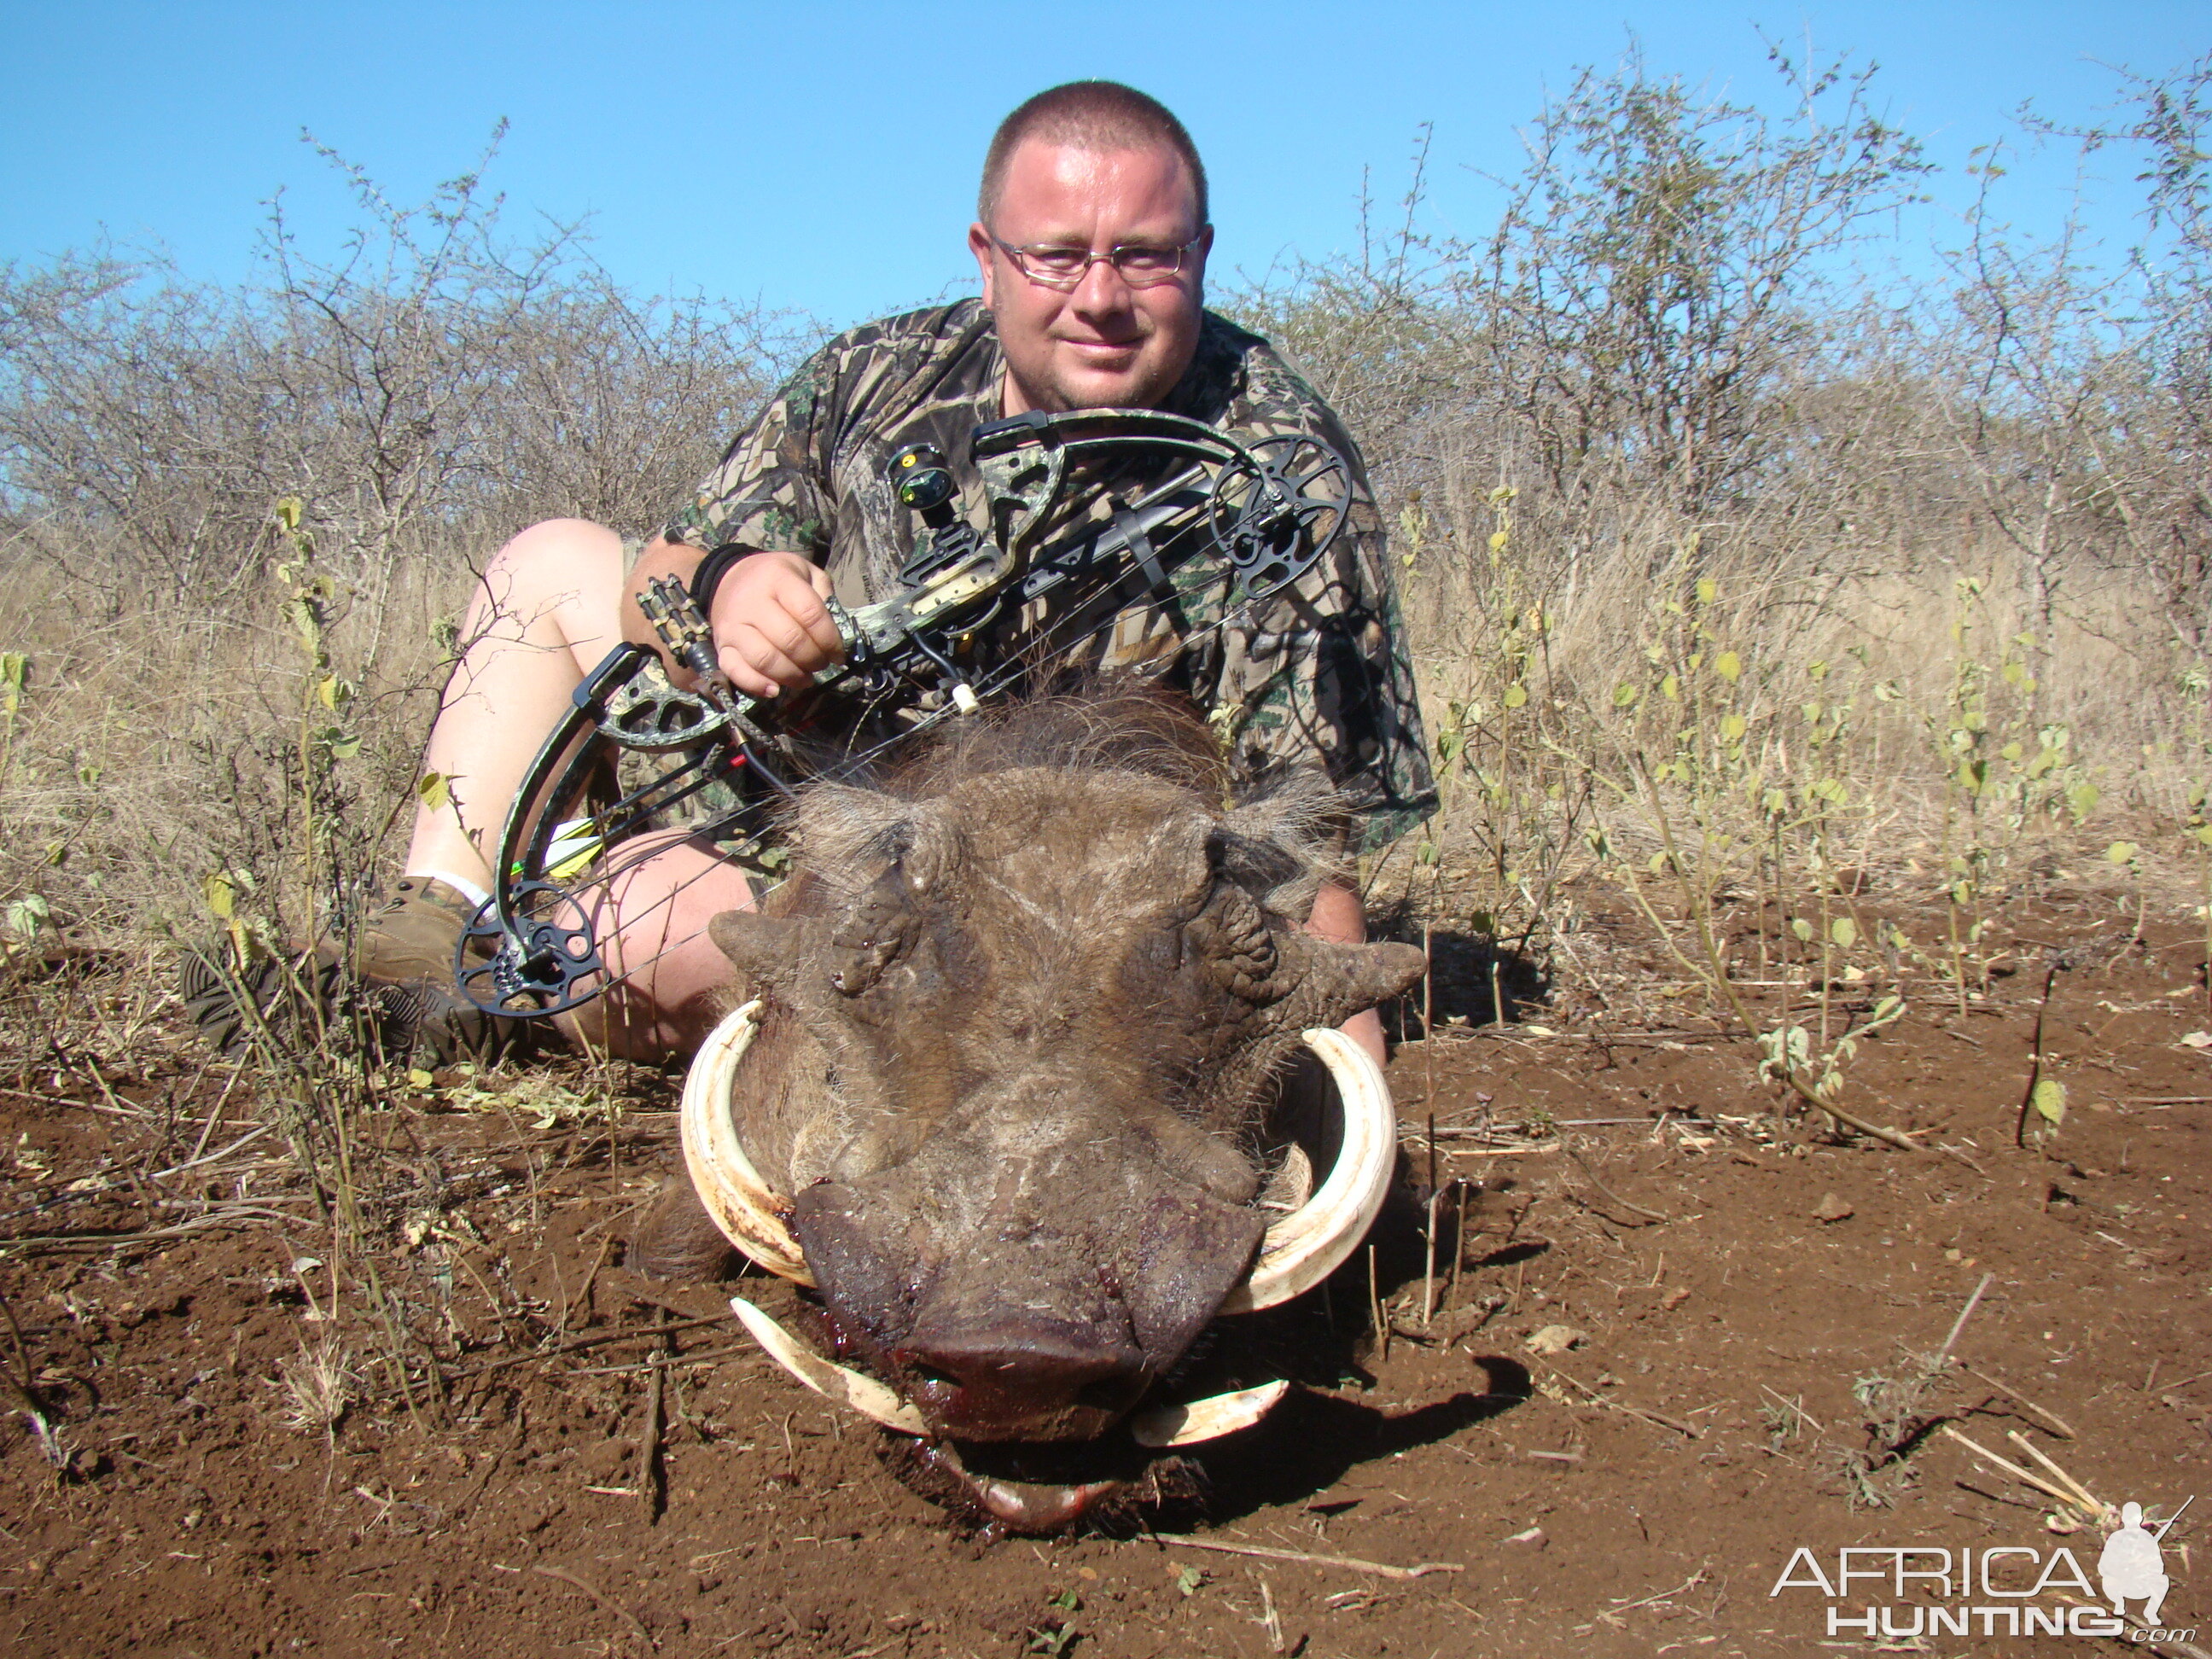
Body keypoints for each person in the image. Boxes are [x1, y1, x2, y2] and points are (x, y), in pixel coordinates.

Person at [183, 80, 1435, 1068]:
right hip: (780, 781)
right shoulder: (873, 374)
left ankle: (520, 969)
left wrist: (1343, 1090)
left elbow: (1305, 838)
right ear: (987, 255)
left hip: (989, 924)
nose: (1098, 297)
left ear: (1203, 254)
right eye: (1056, 255)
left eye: (1144, 255)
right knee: (548, 561)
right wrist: (726, 585)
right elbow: (656, 572)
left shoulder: (1283, 467)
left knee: (668, 921)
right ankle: (426, 933)